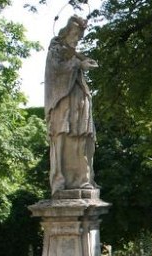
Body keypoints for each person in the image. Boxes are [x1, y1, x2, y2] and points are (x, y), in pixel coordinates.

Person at [45, 15, 98, 195]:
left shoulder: (74, 54)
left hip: (79, 100)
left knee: (82, 137)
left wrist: (81, 63)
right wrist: (78, 64)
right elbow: (57, 70)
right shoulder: (56, 49)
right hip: (63, 102)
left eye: (79, 36)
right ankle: (62, 180)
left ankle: (82, 179)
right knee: (63, 135)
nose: (77, 39)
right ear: (66, 32)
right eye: (75, 34)